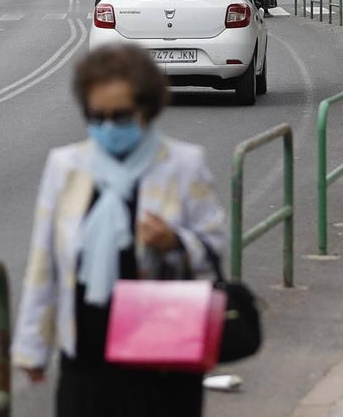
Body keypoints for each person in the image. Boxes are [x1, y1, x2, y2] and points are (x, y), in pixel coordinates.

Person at [13, 45, 227, 417]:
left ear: (147, 110)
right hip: (85, 357)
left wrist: (176, 242)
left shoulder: (182, 165)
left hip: (161, 357)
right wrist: (33, 345)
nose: (108, 127)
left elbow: (216, 250)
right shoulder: (66, 167)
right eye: (97, 117)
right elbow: (44, 260)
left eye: (121, 116)